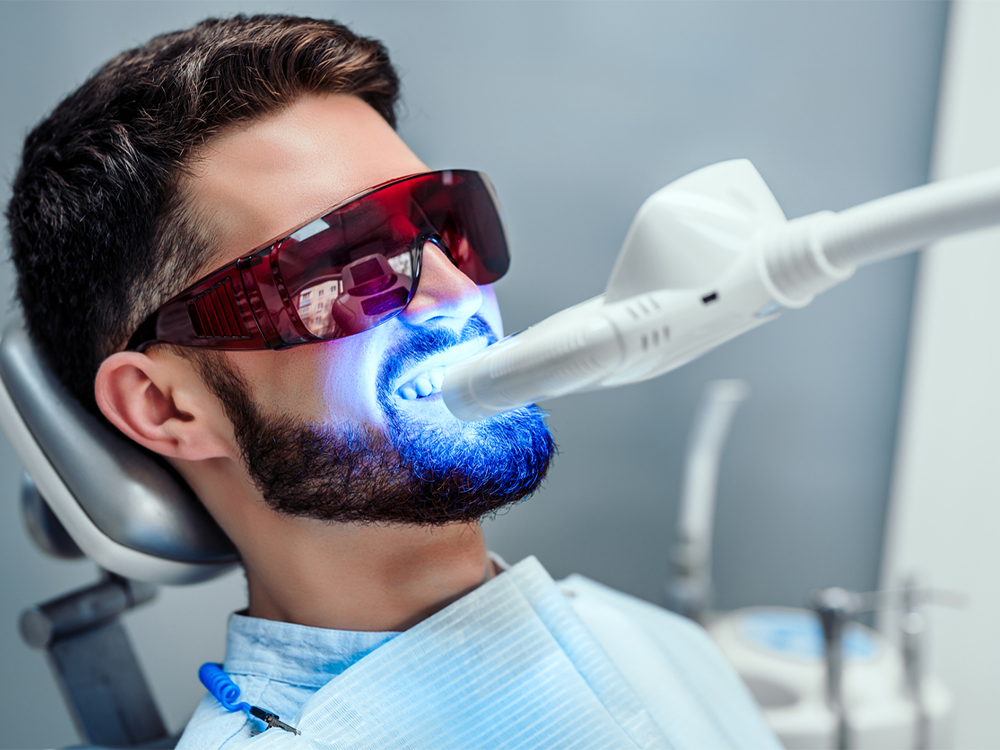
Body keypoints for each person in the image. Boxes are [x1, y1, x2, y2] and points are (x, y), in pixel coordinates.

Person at [6, 14, 780, 749]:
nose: (453, 294)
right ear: (167, 405)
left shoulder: (652, 641)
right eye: (342, 266)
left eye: (446, 226)